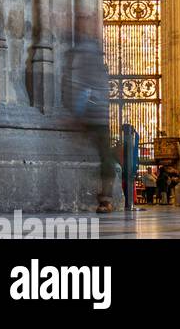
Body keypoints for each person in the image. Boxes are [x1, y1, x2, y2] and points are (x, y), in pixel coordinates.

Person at [63, 15, 116, 213]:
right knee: (104, 155)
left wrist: (77, 112)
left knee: (104, 155)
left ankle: (104, 197)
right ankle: (105, 197)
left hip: (92, 112)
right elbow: (87, 85)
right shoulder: (88, 51)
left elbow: (83, 84)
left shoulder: (85, 51)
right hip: (96, 113)